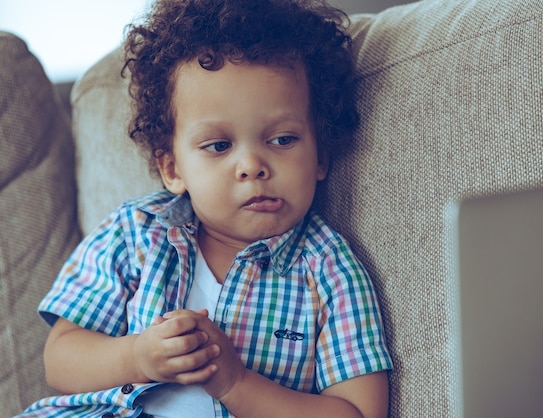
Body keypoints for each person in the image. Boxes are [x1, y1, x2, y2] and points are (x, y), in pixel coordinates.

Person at [18, 0, 392, 417]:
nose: (252, 167)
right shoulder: (135, 231)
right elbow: (61, 360)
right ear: (173, 168)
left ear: (321, 156)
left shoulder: (329, 270)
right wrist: (138, 357)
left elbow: (359, 413)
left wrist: (236, 383)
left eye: (283, 140)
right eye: (219, 146)